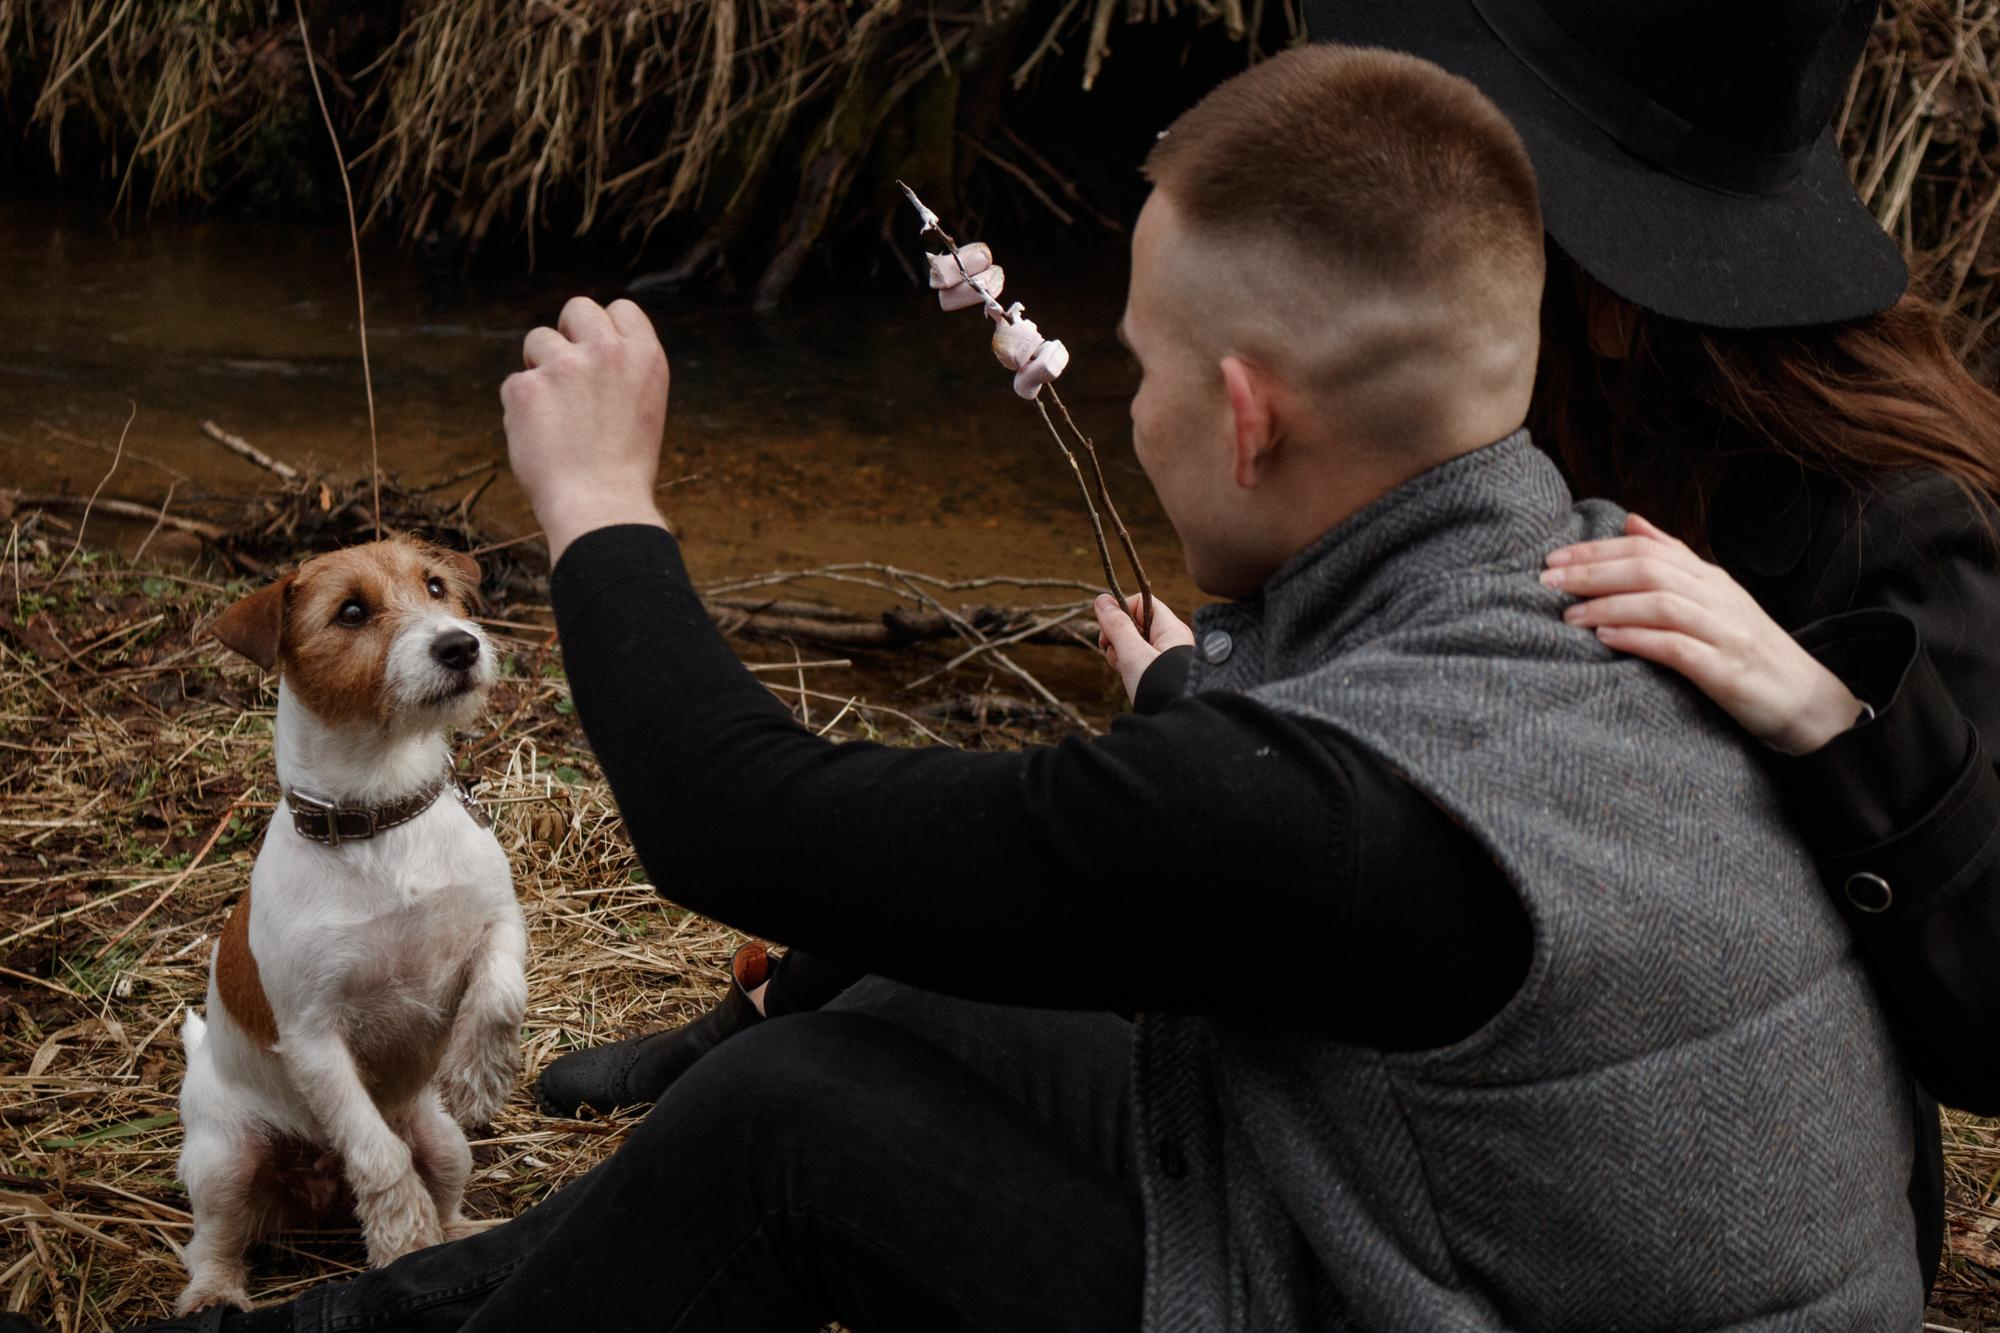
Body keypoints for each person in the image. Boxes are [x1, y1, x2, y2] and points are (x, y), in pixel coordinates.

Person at [132, 46, 1920, 1333]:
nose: (1123, 409)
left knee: (782, 1126)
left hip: (1476, 1283)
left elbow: (735, 819)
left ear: (1245, 415)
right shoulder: (1595, 571)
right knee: (914, 999)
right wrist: (1192, 696)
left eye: (1140, 366)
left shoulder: (1314, 797)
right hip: (1527, 1235)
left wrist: (600, 504)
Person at [1301, 0, 2000, 1289]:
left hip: (1743, 1222)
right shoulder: (1489, 390)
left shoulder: (1895, 524)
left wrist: (1829, 720)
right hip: (1442, 1086)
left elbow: (1992, 1025)